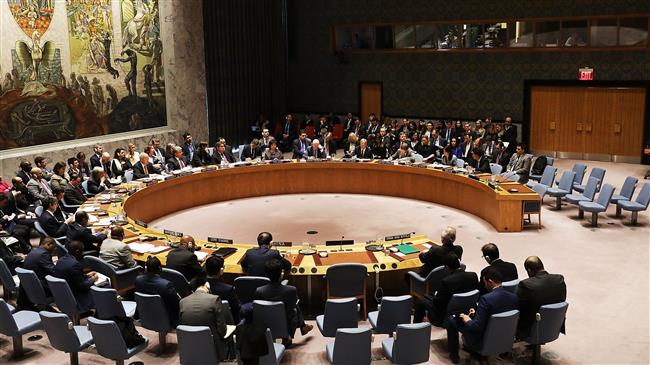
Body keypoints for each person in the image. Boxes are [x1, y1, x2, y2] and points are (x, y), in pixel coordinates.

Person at [445, 267, 518, 363]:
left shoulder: (486, 299)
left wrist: (466, 318)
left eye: (485, 282)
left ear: (490, 281)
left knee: (451, 319)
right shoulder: (514, 297)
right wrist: (478, 312)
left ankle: (454, 355)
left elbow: (475, 327)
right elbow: (498, 315)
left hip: (482, 341)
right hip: (505, 338)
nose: (484, 285)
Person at [255, 259, 313, 342]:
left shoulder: (259, 291)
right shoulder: (291, 290)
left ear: (266, 274)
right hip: (286, 321)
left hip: (266, 321)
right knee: (295, 306)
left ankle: (301, 327)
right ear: (281, 274)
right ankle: (294, 332)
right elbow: (292, 307)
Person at [179, 273, 234, 361]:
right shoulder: (214, 299)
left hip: (190, 346)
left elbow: (182, 324)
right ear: (207, 284)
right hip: (211, 346)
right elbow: (222, 330)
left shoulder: (182, 302)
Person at [414, 253, 479, 325]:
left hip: (443, 315)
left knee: (420, 300)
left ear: (447, 267)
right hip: (466, 310)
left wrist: (435, 296)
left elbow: (437, 304)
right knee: (429, 295)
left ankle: (416, 326)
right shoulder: (473, 275)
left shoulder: (447, 281)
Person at [516, 256, 567, 339]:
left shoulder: (526, 285)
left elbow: (518, 308)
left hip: (532, 329)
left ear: (529, 270)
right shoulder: (559, 279)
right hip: (554, 325)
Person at [135, 256, 180, 326]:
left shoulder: (138, 280)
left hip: (145, 314)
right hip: (164, 317)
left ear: (146, 269)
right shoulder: (166, 285)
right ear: (160, 268)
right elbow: (175, 304)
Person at [55, 240, 98, 312]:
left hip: (63, 293)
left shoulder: (61, 260)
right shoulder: (74, 264)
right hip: (75, 295)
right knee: (104, 287)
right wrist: (93, 279)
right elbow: (82, 286)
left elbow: (72, 276)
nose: (83, 253)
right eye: (82, 251)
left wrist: (86, 276)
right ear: (77, 251)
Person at [206, 255, 241, 322]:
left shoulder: (198, 286)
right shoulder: (228, 289)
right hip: (226, 321)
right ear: (221, 270)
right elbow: (236, 309)